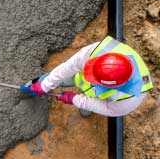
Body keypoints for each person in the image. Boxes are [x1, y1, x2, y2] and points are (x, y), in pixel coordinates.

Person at [22, 36, 152, 117]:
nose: (90, 78)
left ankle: (86, 104)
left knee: (91, 103)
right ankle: (36, 84)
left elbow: (107, 108)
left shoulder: (130, 99)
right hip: (78, 77)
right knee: (52, 78)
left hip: (99, 96)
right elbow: (69, 67)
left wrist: (77, 100)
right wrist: (45, 85)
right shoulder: (98, 51)